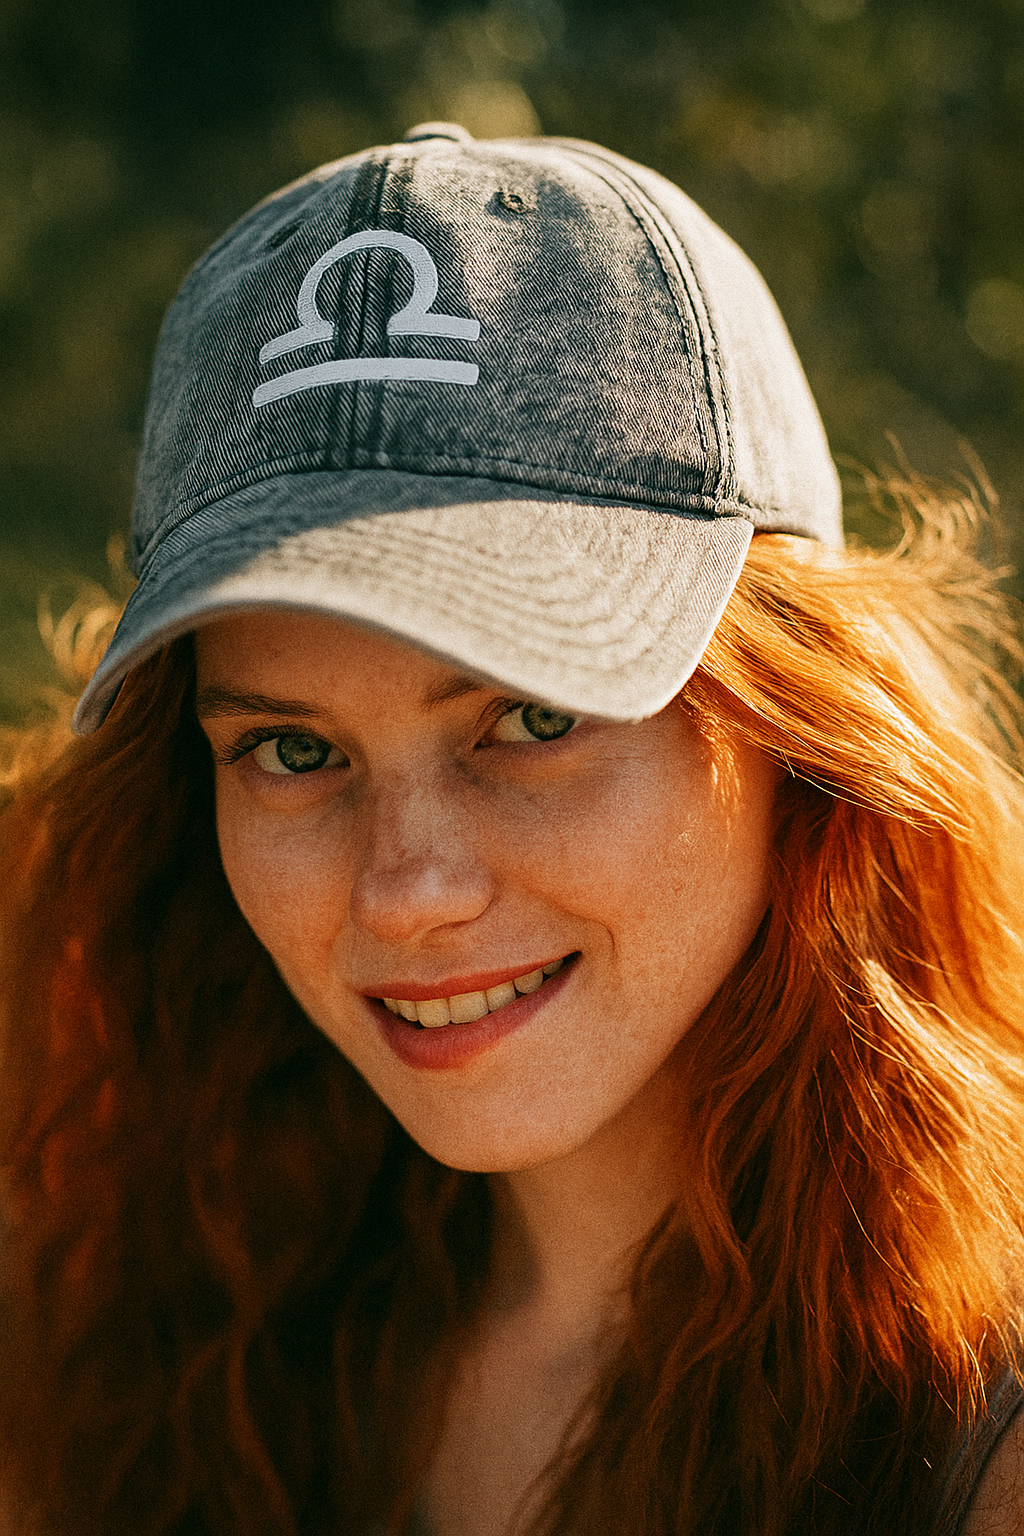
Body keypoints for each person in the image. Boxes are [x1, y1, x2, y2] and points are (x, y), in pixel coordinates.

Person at [1, 122, 1024, 1536]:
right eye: (292, 751)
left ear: (804, 726)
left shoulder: (980, 1435)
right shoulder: (141, 1352)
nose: (408, 890)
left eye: (533, 720)